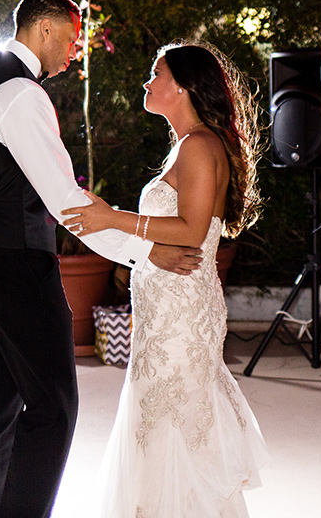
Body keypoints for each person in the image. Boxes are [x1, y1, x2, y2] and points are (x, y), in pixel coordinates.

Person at [0, 0, 201, 518]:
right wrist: (146, 251)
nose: (71, 54)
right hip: (14, 263)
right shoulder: (21, 93)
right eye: (68, 40)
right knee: (55, 406)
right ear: (44, 30)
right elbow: (68, 204)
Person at [61, 42, 270, 517]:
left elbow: (193, 231)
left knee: (176, 428)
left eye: (155, 73)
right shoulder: (188, 144)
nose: (147, 81)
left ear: (182, 86)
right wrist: (118, 223)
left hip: (181, 316)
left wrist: (114, 218)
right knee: (158, 423)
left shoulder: (198, 145)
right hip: (166, 313)